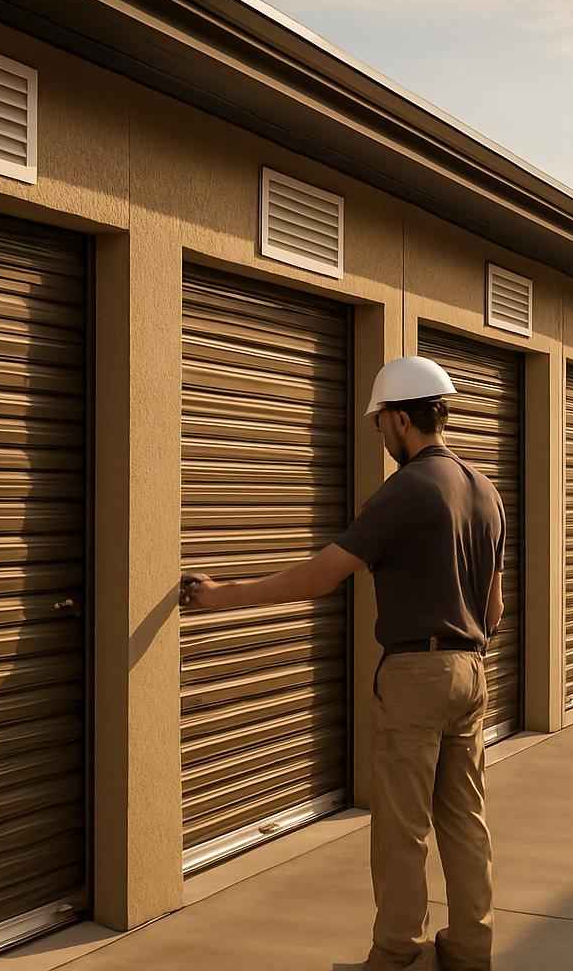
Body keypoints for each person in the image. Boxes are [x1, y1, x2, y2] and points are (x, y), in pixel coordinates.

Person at [181, 355, 503, 971]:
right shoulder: (485, 491)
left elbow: (321, 577)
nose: (379, 435)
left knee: (403, 827)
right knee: (465, 821)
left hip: (417, 674)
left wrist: (222, 594)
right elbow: (495, 608)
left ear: (403, 419)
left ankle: (398, 956)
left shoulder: (405, 491)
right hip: (472, 672)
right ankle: (469, 951)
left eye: (381, 422)